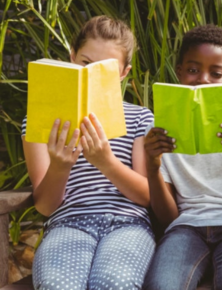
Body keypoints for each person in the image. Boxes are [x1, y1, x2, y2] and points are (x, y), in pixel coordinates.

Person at [23, 15, 155, 290]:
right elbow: (46, 207)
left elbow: (146, 196)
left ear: (123, 73)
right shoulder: (40, 120)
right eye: (85, 63)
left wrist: (106, 162)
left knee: (115, 283)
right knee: (56, 285)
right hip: (67, 223)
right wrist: (60, 166)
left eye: (105, 69)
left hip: (127, 224)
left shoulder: (141, 118)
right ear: (72, 57)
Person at [142, 24, 222, 290]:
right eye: (192, 70)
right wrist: (153, 167)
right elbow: (167, 217)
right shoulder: (158, 129)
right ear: (179, 73)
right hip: (186, 227)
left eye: (216, 73)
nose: (203, 79)